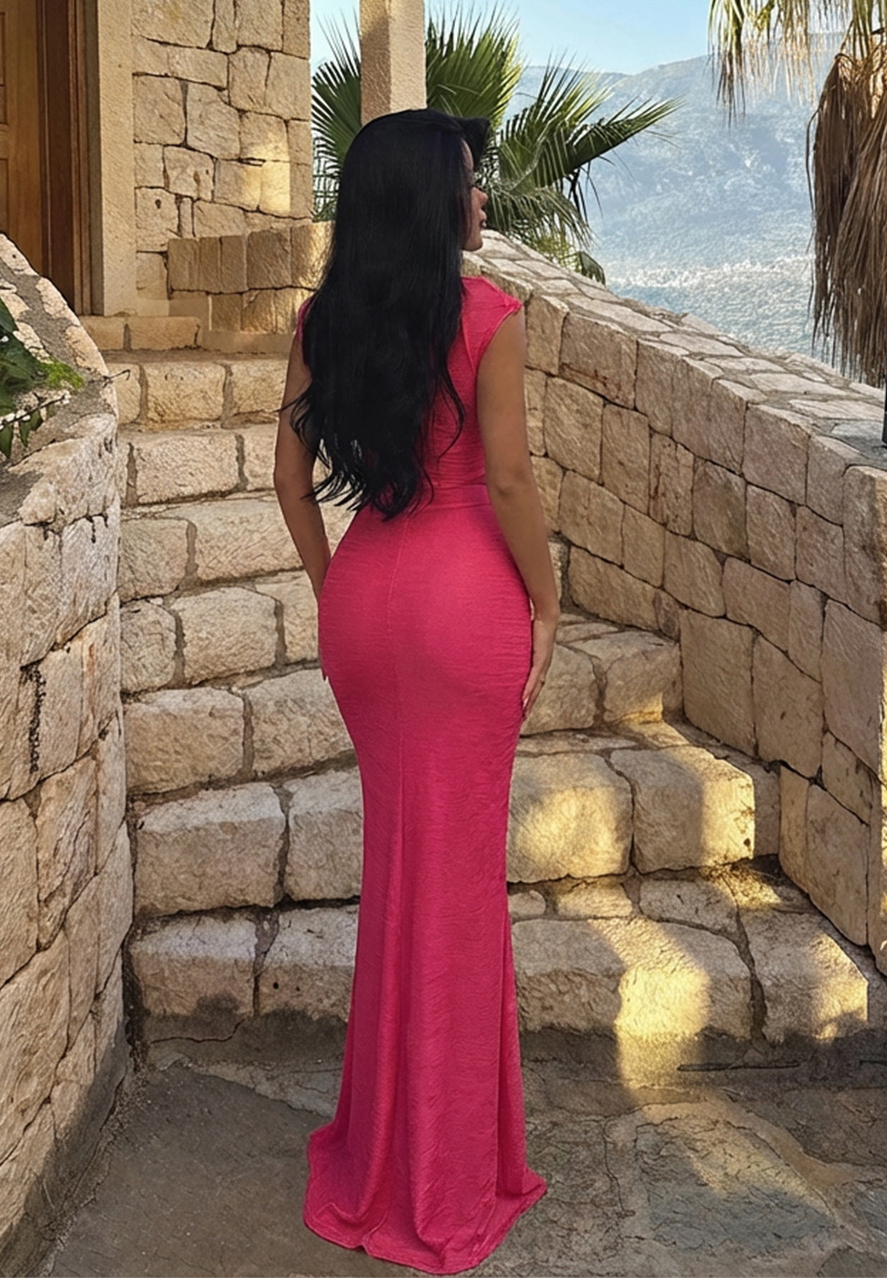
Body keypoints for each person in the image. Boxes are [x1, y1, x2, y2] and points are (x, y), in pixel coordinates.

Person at [273, 106, 557, 1274]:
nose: (482, 201)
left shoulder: (323, 318)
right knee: (456, 889)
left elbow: (289, 480)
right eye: (471, 184)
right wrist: (549, 602)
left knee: (405, 872)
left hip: (368, 599)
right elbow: (512, 479)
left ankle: (390, 1143)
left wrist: (334, 584)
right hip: (464, 607)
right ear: (431, 201)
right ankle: (440, 1174)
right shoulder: (488, 317)